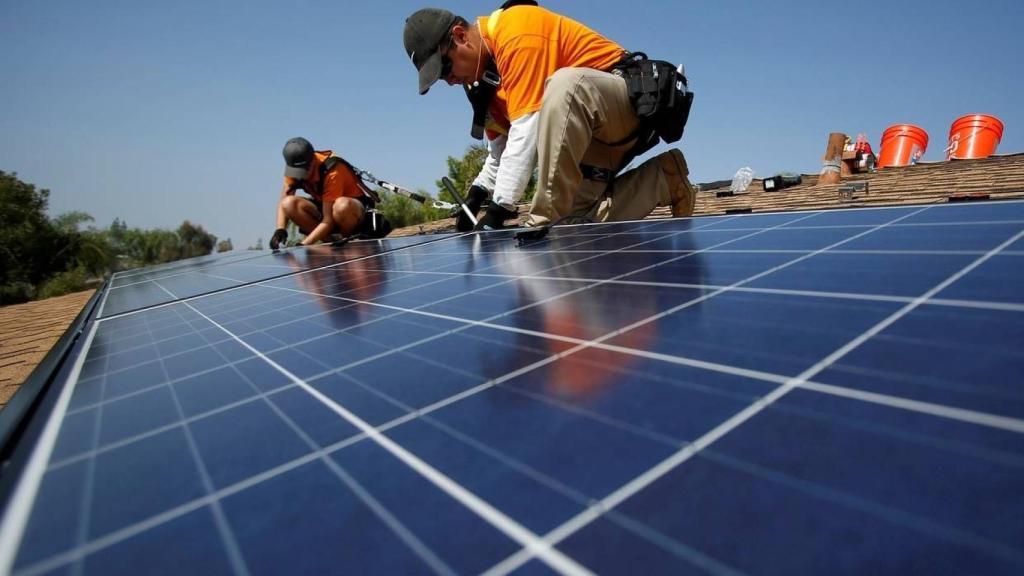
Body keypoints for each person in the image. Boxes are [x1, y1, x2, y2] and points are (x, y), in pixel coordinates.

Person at [403, 3, 697, 231]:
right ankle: (663, 179)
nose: (449, 81)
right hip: (586, 137)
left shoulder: (516, 30)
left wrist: (498, 210)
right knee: (568, 229)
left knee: (565, 86)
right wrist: (478, 192)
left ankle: (543, 218)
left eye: (444, 69)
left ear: (459, 36)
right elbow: (501, 150)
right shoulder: (484, 83)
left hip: (623, 104)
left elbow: (527, 132)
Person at [270, 137, 378, 249]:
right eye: (296, 170)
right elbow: (283, 202)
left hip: (352, 212)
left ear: (313, 161)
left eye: (303, 170)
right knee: (288, 204)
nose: (299, 175)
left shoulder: (332, 171)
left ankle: (347, 241)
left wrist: (303, 245)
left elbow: (328, 221)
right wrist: (280, 229)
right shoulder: (293, 168)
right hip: (326, 206)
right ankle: (331, 243)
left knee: (342, 206)